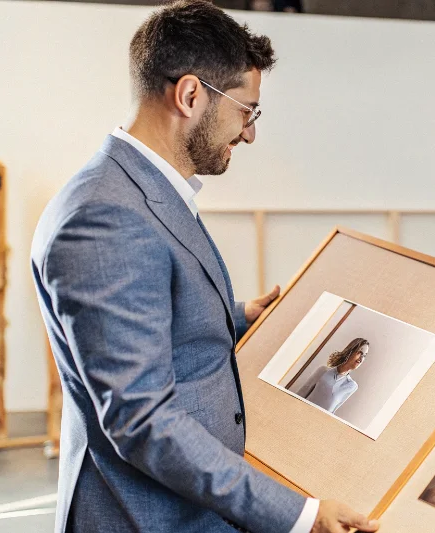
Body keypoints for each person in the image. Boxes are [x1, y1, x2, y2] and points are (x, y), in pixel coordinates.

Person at [30, 2, 379, 532]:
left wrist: (240, 314)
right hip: (145, 516)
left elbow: (151, 320)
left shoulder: (137, 189)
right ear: (192, 94)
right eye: (247, 111)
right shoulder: (105, 217)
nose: (250, 133)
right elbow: (141, 420)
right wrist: (299, 516)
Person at [297, 338, 369, 413]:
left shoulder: (352, 386)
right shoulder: (323, 371)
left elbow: (332, 412)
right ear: (350, 351)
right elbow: (300, 394)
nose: (361, 358)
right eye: (360, 352)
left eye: (364, 355)